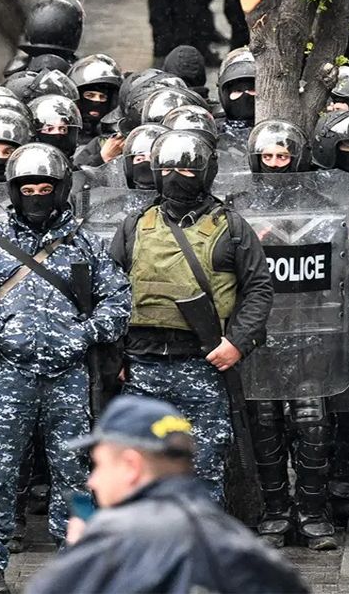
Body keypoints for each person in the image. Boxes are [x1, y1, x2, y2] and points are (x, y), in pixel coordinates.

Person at [0, 144, 132, 594]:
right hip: (10, 376)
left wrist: (84, 333)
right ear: (14, 191)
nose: (36, 195)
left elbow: (119, 301)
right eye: (27, 188)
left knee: (74, 472)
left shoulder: (85, 243)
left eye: (44, 187)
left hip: (69, 377)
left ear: (60, 189)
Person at [109, 130, 274, 501]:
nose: (174, 177)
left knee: (204, 467)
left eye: (185, 170)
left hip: (203, 364)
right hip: (141, 366)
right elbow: (110, 291)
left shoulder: (230, 227)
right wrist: (114, 354)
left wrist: (238, 343)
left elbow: (259, 289)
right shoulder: (135, 225)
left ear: (204, 172)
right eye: (166, 168)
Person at [24, 395, 307, 594]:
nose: (92, 481)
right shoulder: (236, 537)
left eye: (99, 465)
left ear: (132, 465)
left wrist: (79, 554)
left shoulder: (112, 540)